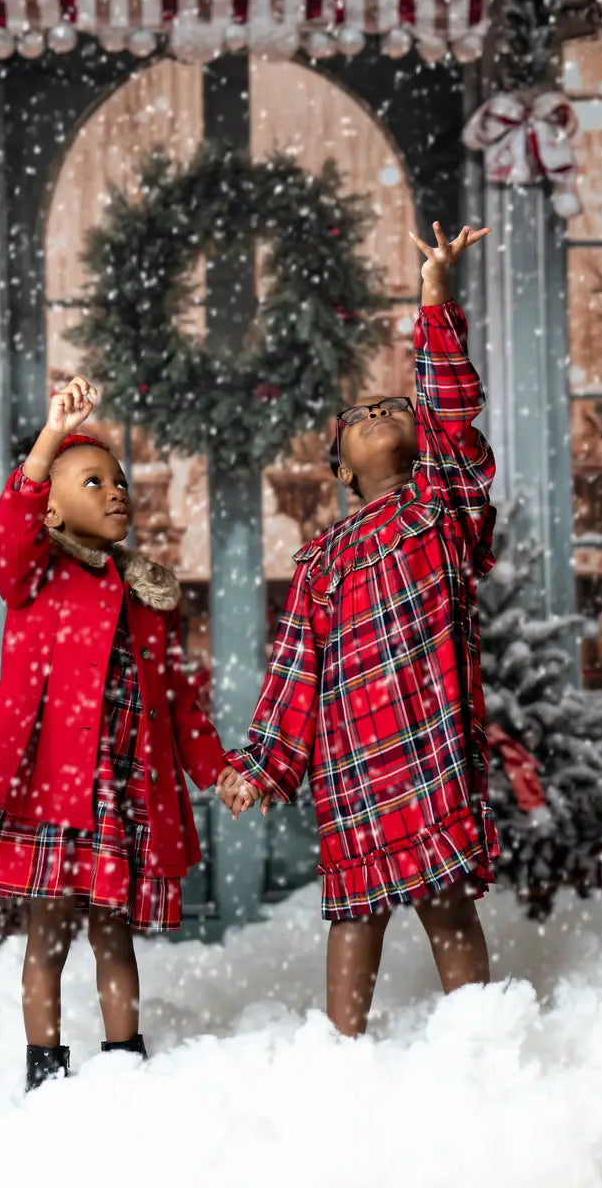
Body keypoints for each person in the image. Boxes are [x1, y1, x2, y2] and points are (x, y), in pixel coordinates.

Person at [218, 222, 499, 1036]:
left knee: (446, 903)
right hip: (352, 768)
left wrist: (435, 300)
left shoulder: (440, 503)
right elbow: (293, 676)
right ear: (339, 468)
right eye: (360, 414)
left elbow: (449, 411)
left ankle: (480, 1041)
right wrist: (262, 764)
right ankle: (341, 1052)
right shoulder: (319, 562)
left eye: (392, 407)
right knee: (355, 917)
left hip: (430, 745)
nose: (379, 411)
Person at [0, 378, 226, 1089]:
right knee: (47, 936)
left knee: (114, 933)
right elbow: (9, 529)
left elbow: (179, 700)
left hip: (120, 792)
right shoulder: (36, 572)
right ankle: (45, 1069)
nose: (115, 492)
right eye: (93, 480)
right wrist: (51, 439)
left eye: (119, 480)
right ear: (52, 505)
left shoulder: (148, 597)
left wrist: (217, 768)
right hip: (55, 792)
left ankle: (124, 1060)